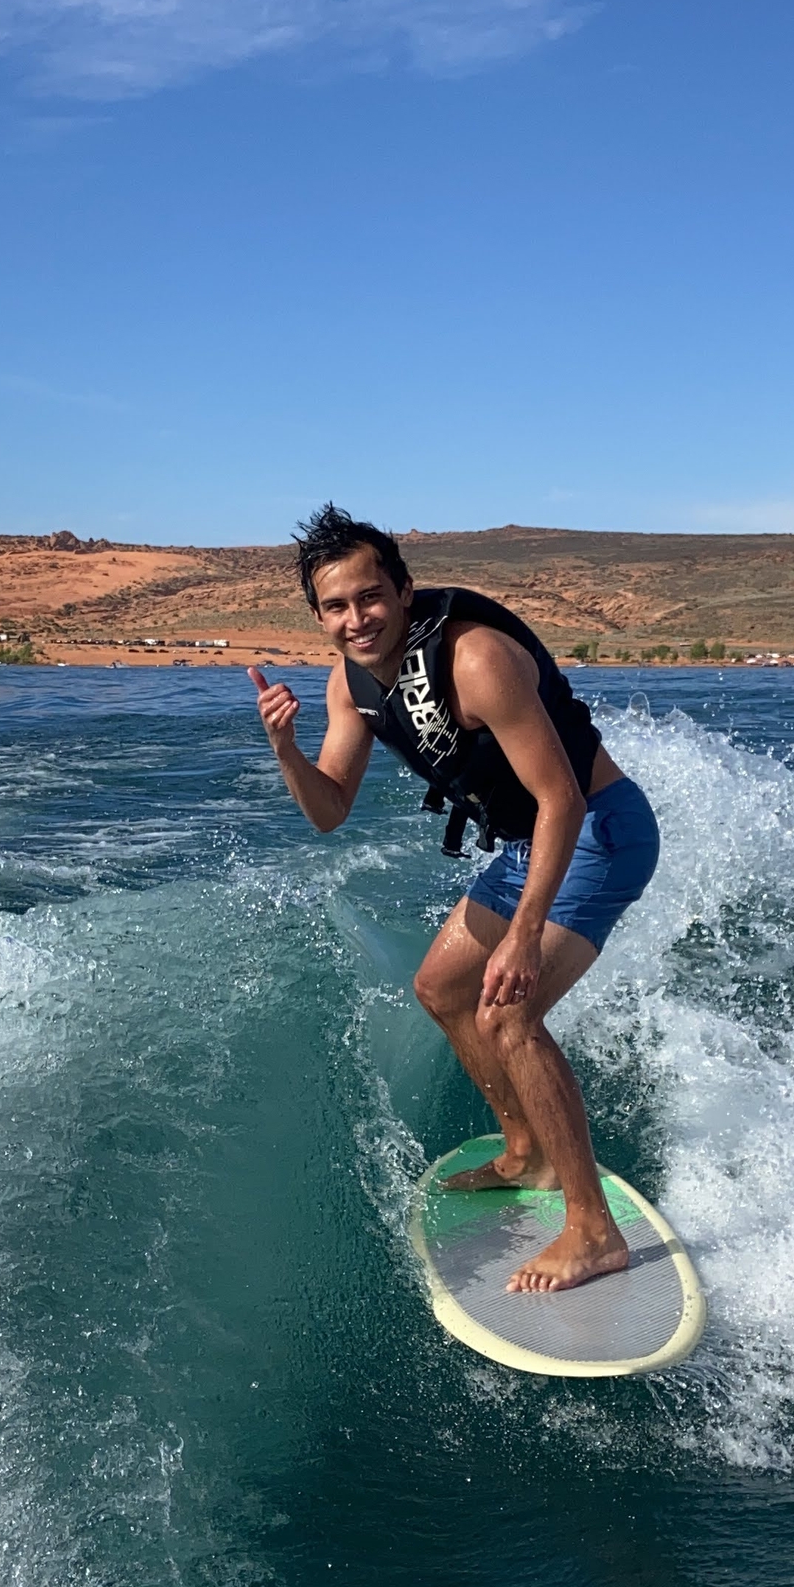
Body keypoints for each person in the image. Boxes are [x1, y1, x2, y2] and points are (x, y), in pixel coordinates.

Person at [249, 504, 660, 1293]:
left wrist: (525, 933)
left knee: (508, 1010)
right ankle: (525, 1153)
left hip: (599, 830)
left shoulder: (474, 660)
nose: (356, 618)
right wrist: (286, 752)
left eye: (370, 596)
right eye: (336, 606)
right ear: (318, 617)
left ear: (403, 590)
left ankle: (593, 1231)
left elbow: (563, 800)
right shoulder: (351, 684)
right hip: (529, 843)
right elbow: (330, 809)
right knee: (441, 988)